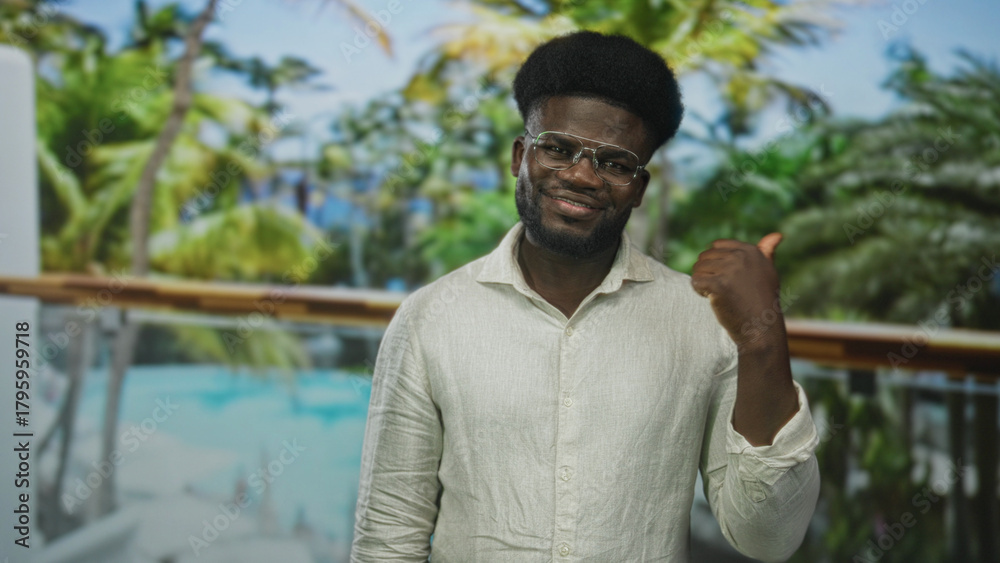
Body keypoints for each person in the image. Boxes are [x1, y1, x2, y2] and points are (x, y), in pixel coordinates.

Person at [351, 30, 820, 562]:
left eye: (615, 163)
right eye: (558, 149)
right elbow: (389, 536)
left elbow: (768, 539)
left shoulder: (702, 322)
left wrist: (762, 337)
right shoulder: (431, 317)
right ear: (520, 156)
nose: (581, 176)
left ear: (638, 188)